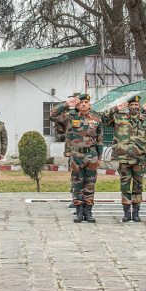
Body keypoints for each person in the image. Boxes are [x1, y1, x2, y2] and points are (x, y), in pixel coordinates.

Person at [50, 93, 103, 223]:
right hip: (76, 156)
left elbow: (100, 140)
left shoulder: (97, 119)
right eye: (81, 102)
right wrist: (67, 104)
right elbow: (53, 115)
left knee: (90, 185)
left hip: (91, 155)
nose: (84, 104)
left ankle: (88, 212)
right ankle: (79, 212)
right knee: (77, 185)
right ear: (78, 105)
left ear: (90, 105)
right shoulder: (69, 117)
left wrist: (99, 157)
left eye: (86, 102)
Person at [101, 94, 146, 222]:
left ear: (140, 106)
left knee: (138, 187)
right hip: (123, 159)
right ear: (128, 107)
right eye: (132, 105)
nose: (134, 107)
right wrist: (116, 108)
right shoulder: (118, 117)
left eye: (136, 105)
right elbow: (104, 118)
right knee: (125, 186)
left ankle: (136, 212)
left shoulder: (145, 120)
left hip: (139, 159)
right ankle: (127, 213)